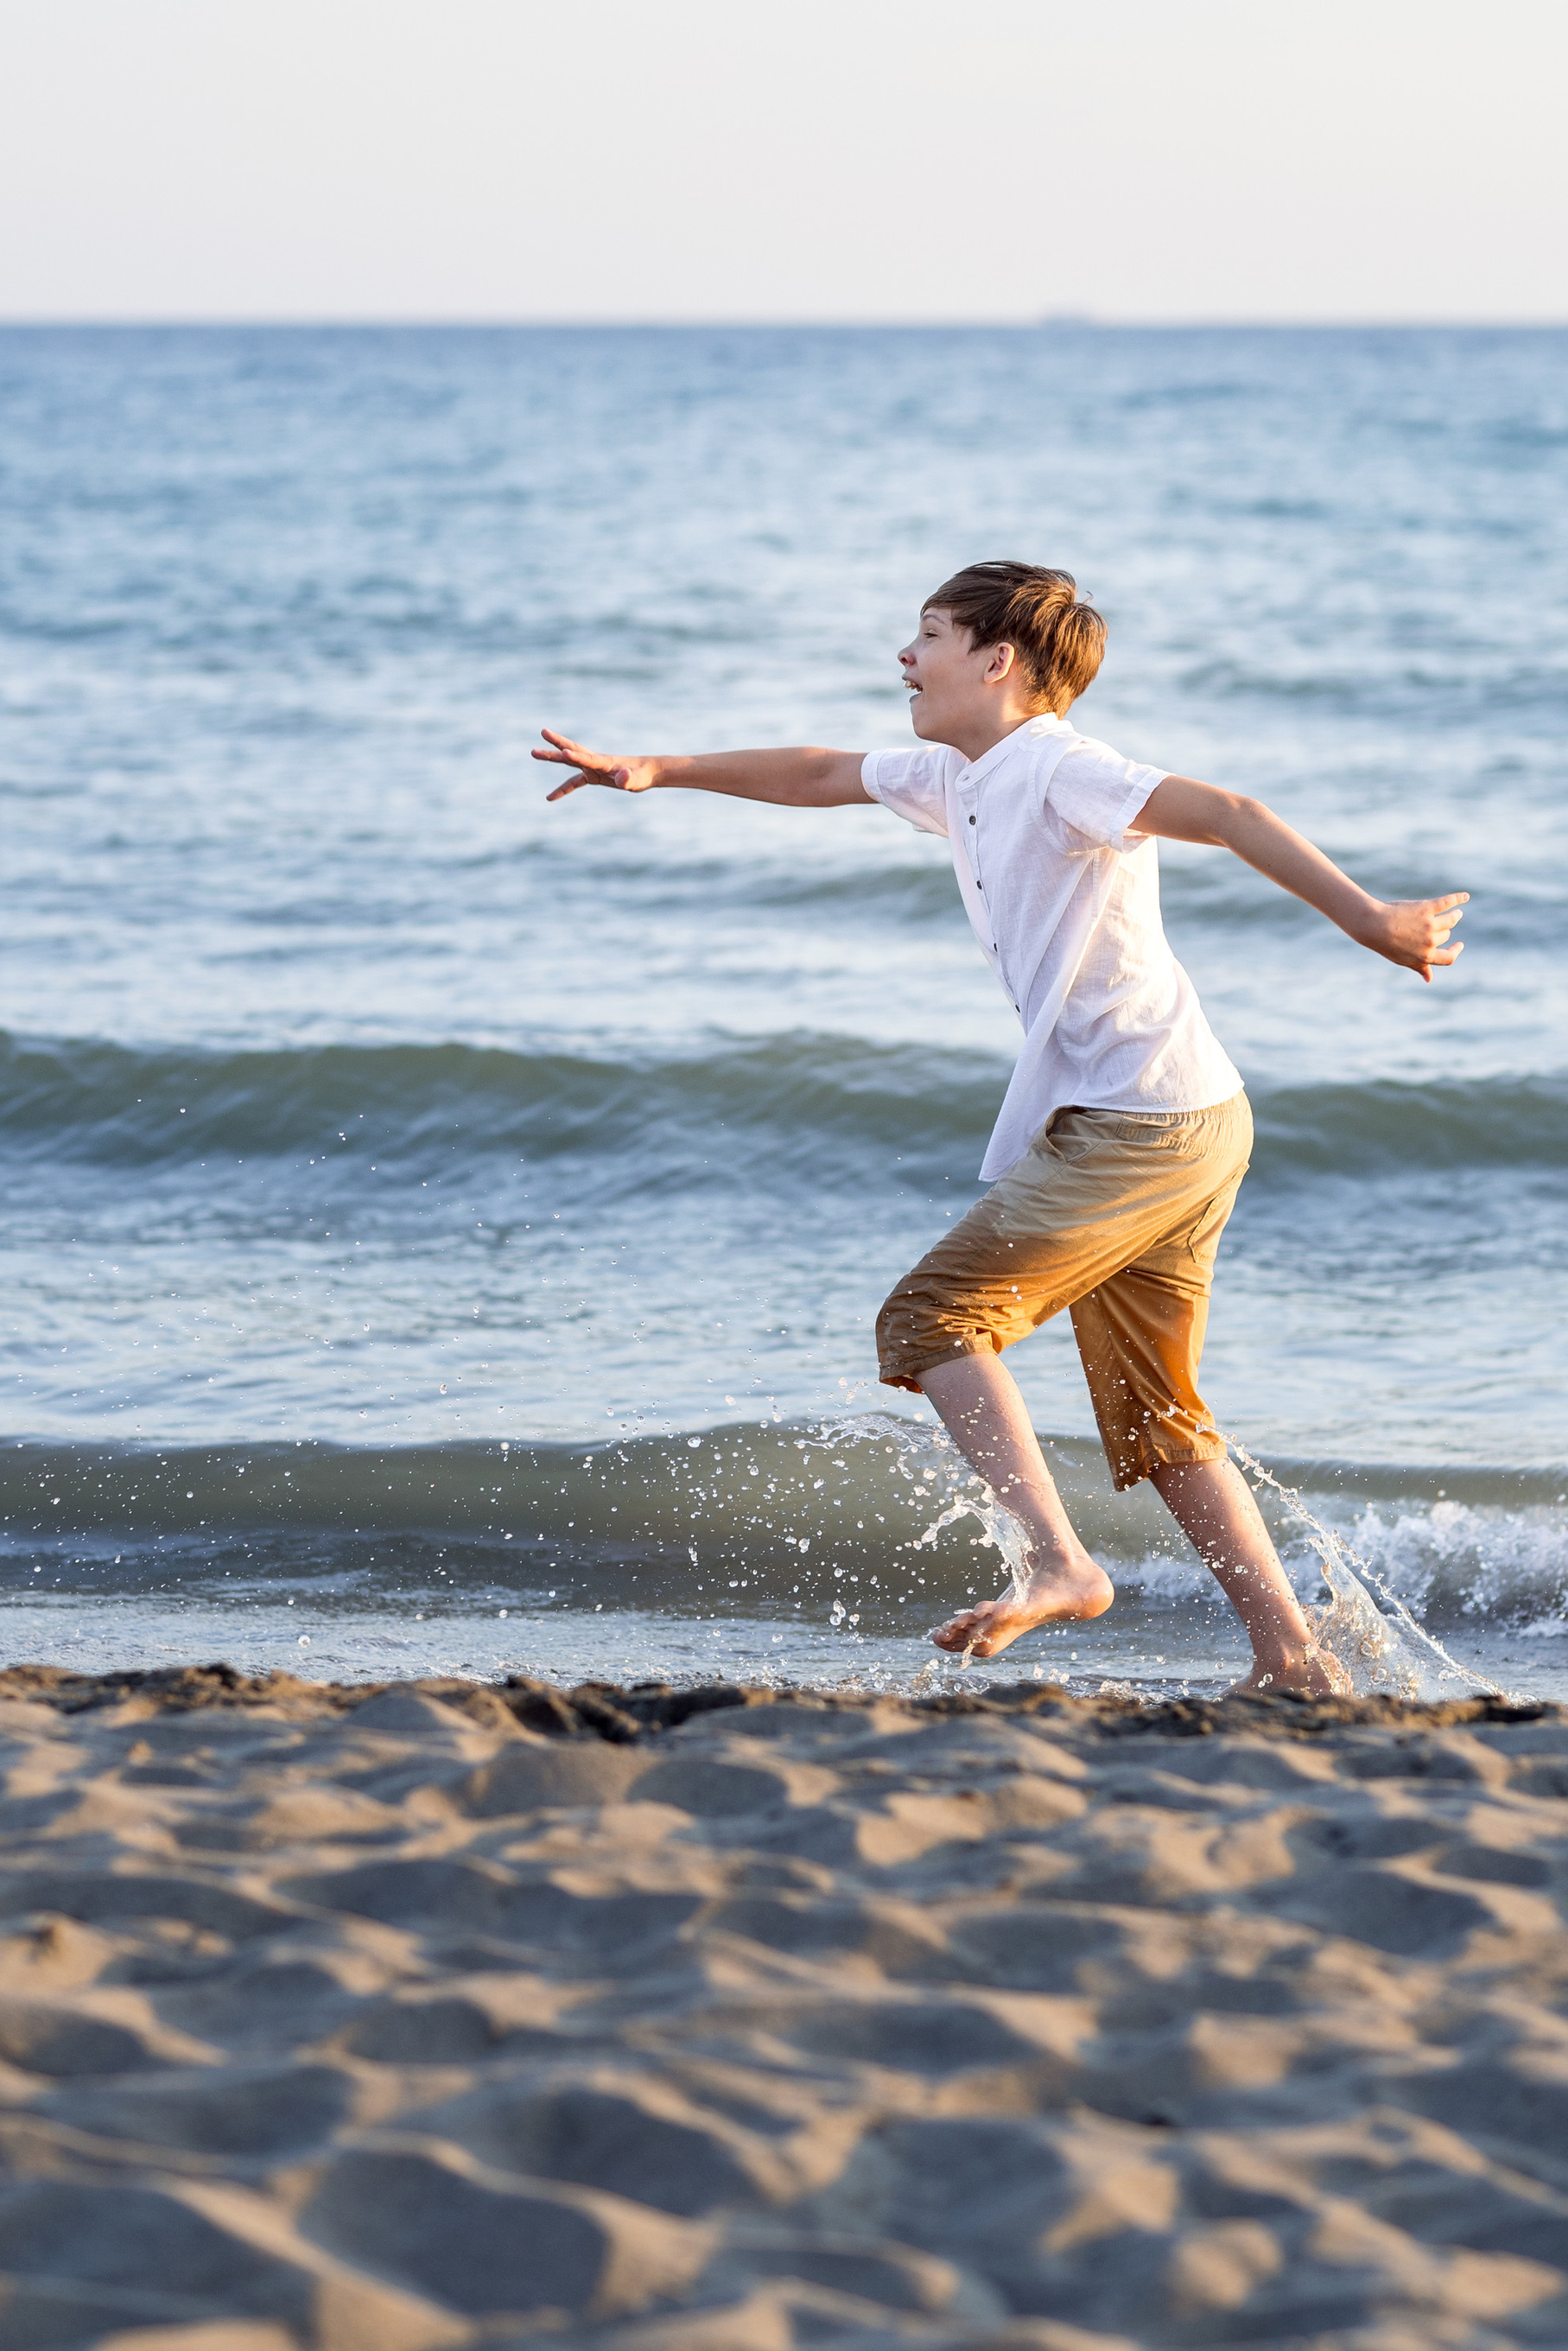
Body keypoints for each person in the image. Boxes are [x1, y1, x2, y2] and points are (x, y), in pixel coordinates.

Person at [534, 561, 1465, 1691]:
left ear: (998, 662)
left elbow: (1229, 813)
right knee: (1159, 1416)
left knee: (930, 1319)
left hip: (1145, 1123)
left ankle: (1058, 1563)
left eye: (927, 634)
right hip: (1175, 1115)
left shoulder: (1065, 770)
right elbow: (819, 770)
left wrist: (1371, 919)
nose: (904, 657)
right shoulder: (955, 773)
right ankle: (1293, 1655)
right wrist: (656, 770)